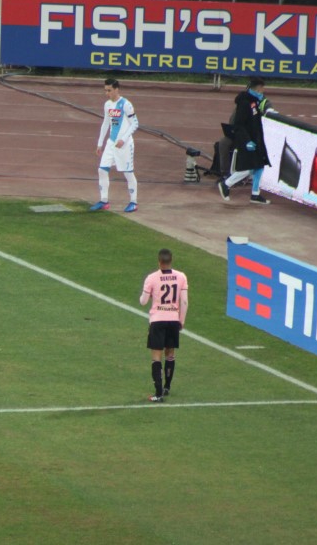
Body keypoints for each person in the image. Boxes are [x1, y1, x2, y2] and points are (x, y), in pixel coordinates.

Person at [140, 248, 188, 403]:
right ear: (171, 260)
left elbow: (143, 302)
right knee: (170, 354)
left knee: (156, 357)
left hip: (157, 320)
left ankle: (158, 394)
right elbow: (184, 301)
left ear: (159, 261)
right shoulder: (181, 276)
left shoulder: (152, 278)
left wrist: (148, 294)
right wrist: (181, 320)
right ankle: (167, 387)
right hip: (173, 320)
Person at [217, 77, 273, 205]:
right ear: (257, 89)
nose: (262, 92)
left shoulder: (255, 102)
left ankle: (255, 194)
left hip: (255, 139)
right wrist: (247, 141)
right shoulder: (244, 103)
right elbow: (239, 125)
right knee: (249, 167)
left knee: (259, 166)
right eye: (261, 90)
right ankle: (226, 184)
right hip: (247, 141)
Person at [91, 78, 139, 213]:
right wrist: (100, 143)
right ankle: (104, 201)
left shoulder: (126, 104)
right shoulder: (107, 105)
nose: (107, 93)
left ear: (116, 89)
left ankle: (133, 202)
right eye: (105, 90)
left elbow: (135, 123)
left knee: (128, 173)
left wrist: (123, 139)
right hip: (111, 143)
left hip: (124, 145)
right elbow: (106, 123)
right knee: (102, 170)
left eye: (109, 90)